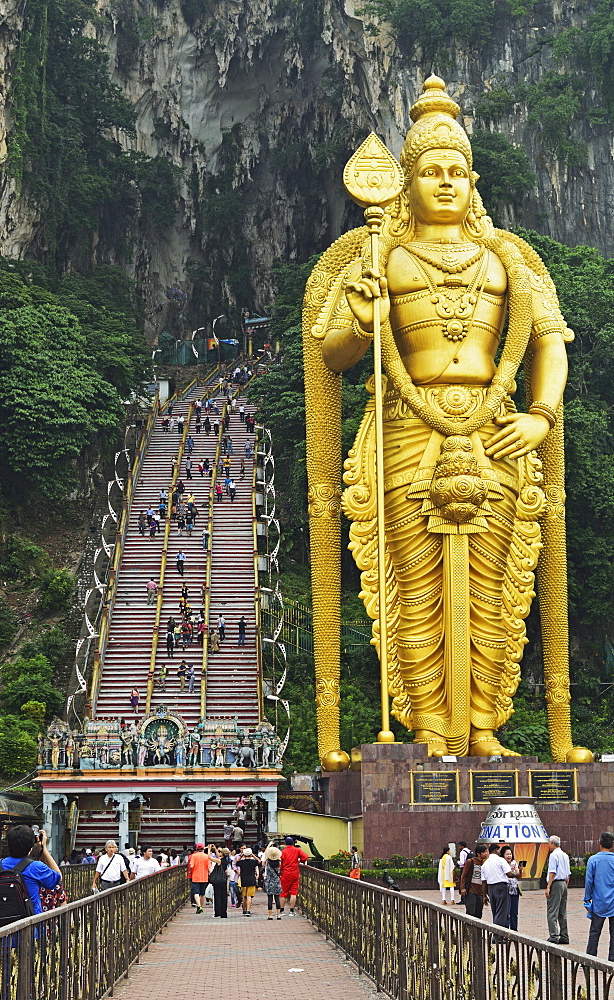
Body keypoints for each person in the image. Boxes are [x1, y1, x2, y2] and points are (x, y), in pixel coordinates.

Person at [304, 75, 585, 765]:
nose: (445, 182)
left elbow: (548, 340)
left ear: (474, 178)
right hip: (406, 425)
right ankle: (429, 727)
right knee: (414, 581)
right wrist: (364, 314)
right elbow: (332, 351)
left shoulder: (510, 259)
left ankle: (486, 725)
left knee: (497, 585)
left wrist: (542, 416)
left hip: (496, 428)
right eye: (430, 170)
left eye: (457, 170)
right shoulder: (378, 256)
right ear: (404, 180)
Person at [0, 825, 62, 930]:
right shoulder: (35, 867)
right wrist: (43, 848)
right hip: (31, 930)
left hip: (1, 932)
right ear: (31, 847)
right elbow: (58, 877)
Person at [584, 831, 614, 961]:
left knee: (594, 932)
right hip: (613, 902)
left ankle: (590, 959)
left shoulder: (593, 860)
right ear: (612, 845)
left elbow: (589, 881)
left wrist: (587, 898)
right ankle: (612, 960)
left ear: (600, 843)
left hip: (598, 902)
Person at [481, 843, 513, 926]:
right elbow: (509, 874)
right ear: (495, 850)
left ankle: (496, 933)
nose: (500, 852)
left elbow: (484, 882)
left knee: (495, 911)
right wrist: (518, 874)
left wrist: (484, 895)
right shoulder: (500, 860)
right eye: (499, 850)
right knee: (501, 911)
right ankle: (497, 936)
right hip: (501, 887)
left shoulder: (485, 864)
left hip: (490, 889)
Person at [546, 834, 570, 944]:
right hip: (564, 883)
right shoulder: (565, 855)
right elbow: (568, 873)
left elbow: (552, 872)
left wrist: (548, 886)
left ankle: (554, 935)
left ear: (553, 844)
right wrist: (566, 885)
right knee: (562, 911)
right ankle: (564, 935)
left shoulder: (553, 855)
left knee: (552, 911)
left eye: (549, 843)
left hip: (556, 883)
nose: (548, 846)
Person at [279, 836, 308, 916]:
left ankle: (282, 910)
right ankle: (292, 910)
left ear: (285, 844)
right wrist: (300, 860)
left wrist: (281, 870)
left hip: (285, 873)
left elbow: (280, 862)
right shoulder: (297, 850)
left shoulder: (283, 852)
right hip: (295, 872)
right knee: (293, 892)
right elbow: (305, 857)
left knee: (283, 892)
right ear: (293, 843)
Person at [460, 843, 489, 918]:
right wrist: (462, 888)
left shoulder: (486, 863)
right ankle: (468, 929)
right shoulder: (471, 861)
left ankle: (477, 930)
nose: (486, 854)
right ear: (478, 854)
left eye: (487, 851)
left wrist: (485, 894)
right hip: (471, 891)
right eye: (484, 852)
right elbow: (464, 875)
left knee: (478, 914)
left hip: (481, 892)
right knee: (470, 913)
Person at [501, 846, 521, 930]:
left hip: (514, 889)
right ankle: (506, 930)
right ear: (503, 855)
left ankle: (514, 930)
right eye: (507, 854)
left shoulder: (514, 863)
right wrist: (513, 873)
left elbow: (518, 875)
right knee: (506, 912)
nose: (509, 856)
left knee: (514, 911)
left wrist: (520, 870)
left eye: (510, 854)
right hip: (506, 890)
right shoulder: (501, 863)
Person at [207, 846, 229, 918]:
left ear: (222, 854)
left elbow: (210, 857)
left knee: (217, 896)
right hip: (223, 880)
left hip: (218, 880)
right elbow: (218, 855)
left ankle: (217, 912)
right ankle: (223, 913)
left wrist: (209, 849)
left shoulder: (219, 861)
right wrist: (216, 849)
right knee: (224, 896)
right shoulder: (225, 861)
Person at [237, 848, 259, 916]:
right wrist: (253, 855)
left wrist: (241, 856)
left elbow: (236, 862)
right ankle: (248, 910)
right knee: (249, 896)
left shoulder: (242, 862)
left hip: (243, 880)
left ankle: (244, 909)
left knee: (244, 896)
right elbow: (259, 861)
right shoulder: (253, 862)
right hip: (251, 880)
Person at [188, 845, 210, 913]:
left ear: (196, 849)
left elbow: (191, 866)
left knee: (196, 892)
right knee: (203, 893)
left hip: (195, 876)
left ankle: (199, 906)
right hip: (204, 876)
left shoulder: (193, 856)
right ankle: (201, 906)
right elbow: (209, 867)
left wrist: (191, 871)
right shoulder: (206, 856)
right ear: (203, 849)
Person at [263, 844, 283, 920]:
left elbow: (265, 854)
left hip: (269, 881)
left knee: (270, 899)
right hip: (277, 881)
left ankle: (270, 915)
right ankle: (278, 915)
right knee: (277, 898)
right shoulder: (279, 863)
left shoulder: (268, 862)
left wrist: (269, 845)